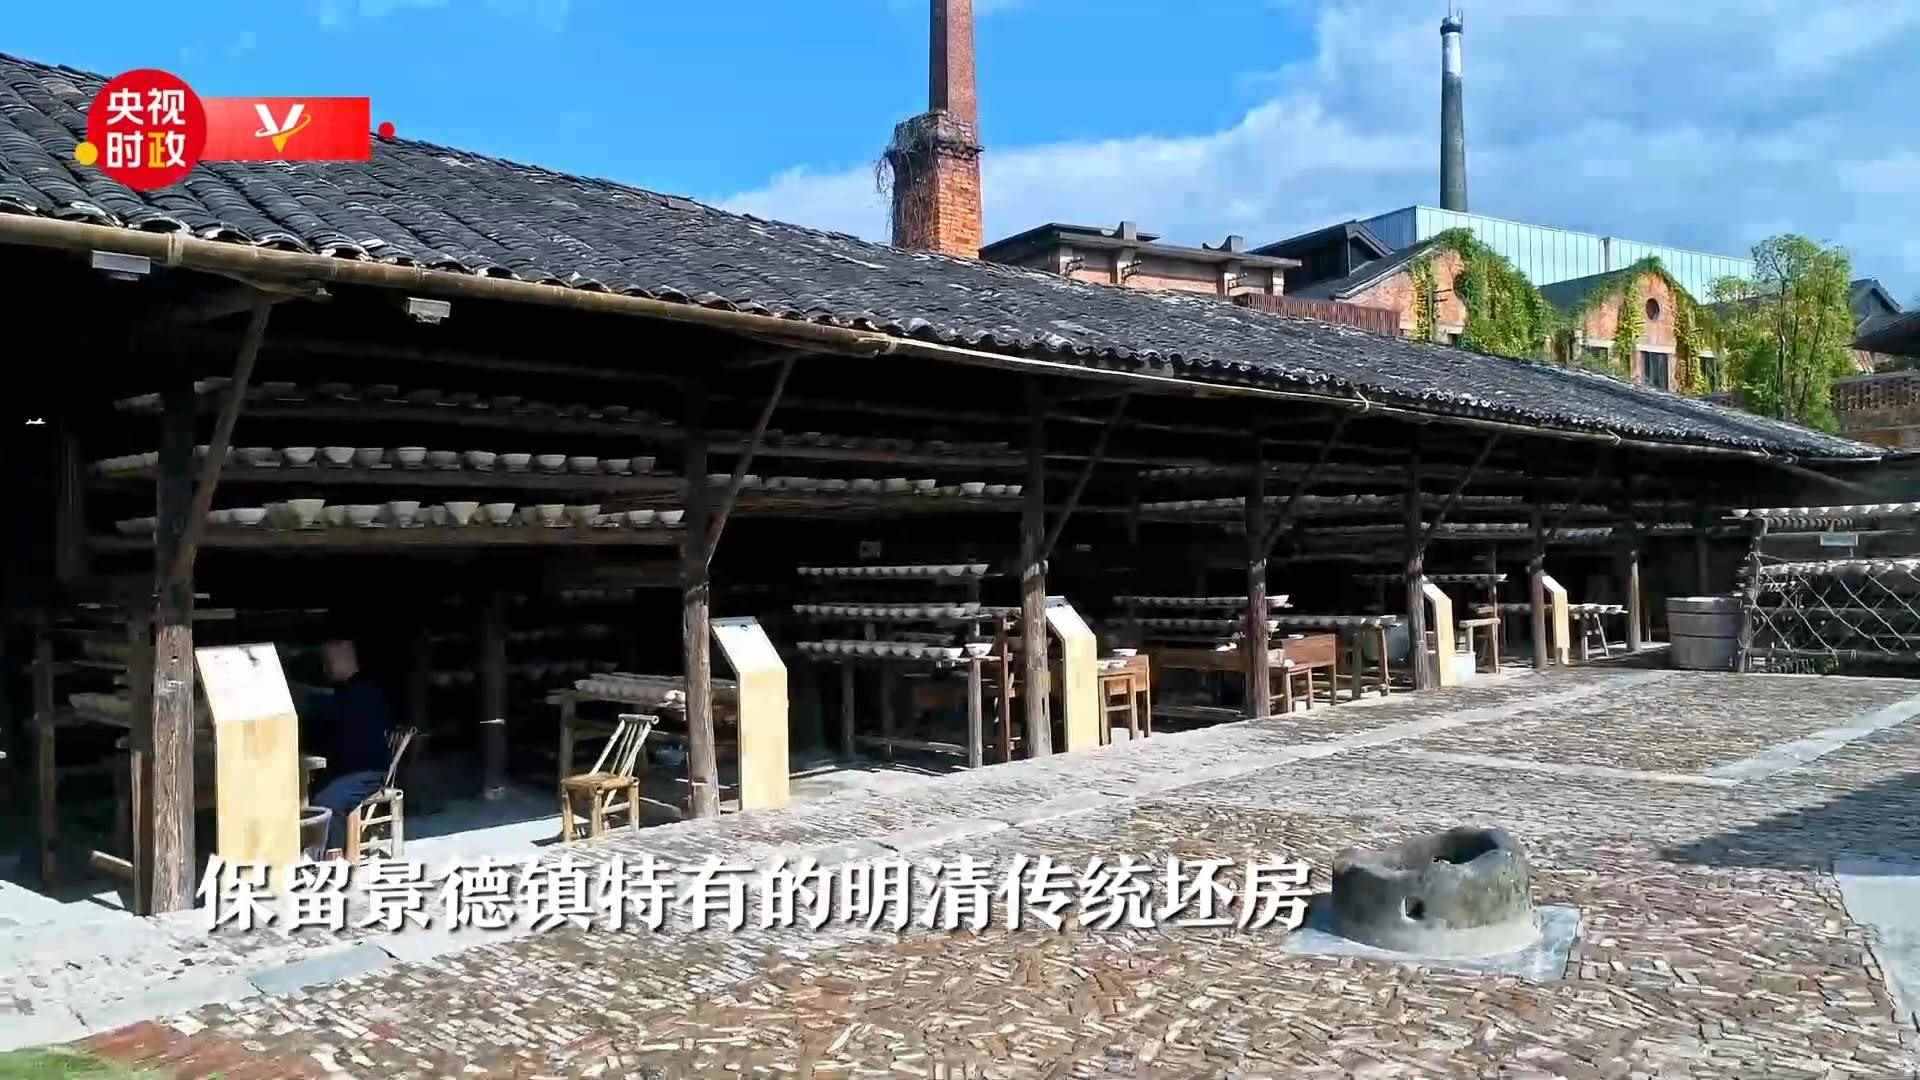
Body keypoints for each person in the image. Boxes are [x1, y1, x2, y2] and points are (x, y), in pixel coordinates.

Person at [299, 639, 395, 853]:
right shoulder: (344, 690)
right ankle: (314, 849)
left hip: (368, 770)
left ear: (345, 659)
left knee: (328, 802)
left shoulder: (363, 691)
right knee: (306, 793)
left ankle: (335, 857)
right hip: (349, 767)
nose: (326, 668)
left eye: (329, 662)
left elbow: (346, 733)